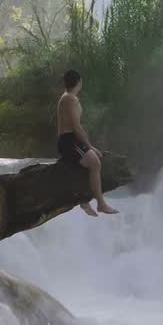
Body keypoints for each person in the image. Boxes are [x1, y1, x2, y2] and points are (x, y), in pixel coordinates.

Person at [57, 69, 117, 216]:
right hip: (69, 141)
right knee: (95, 163)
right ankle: (101, 203)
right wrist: (90, 146)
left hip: (68, 140)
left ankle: (84, 201)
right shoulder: (71, 99)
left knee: (87, 164)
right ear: (79, 82)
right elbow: (76, 127)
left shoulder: (65, 97)